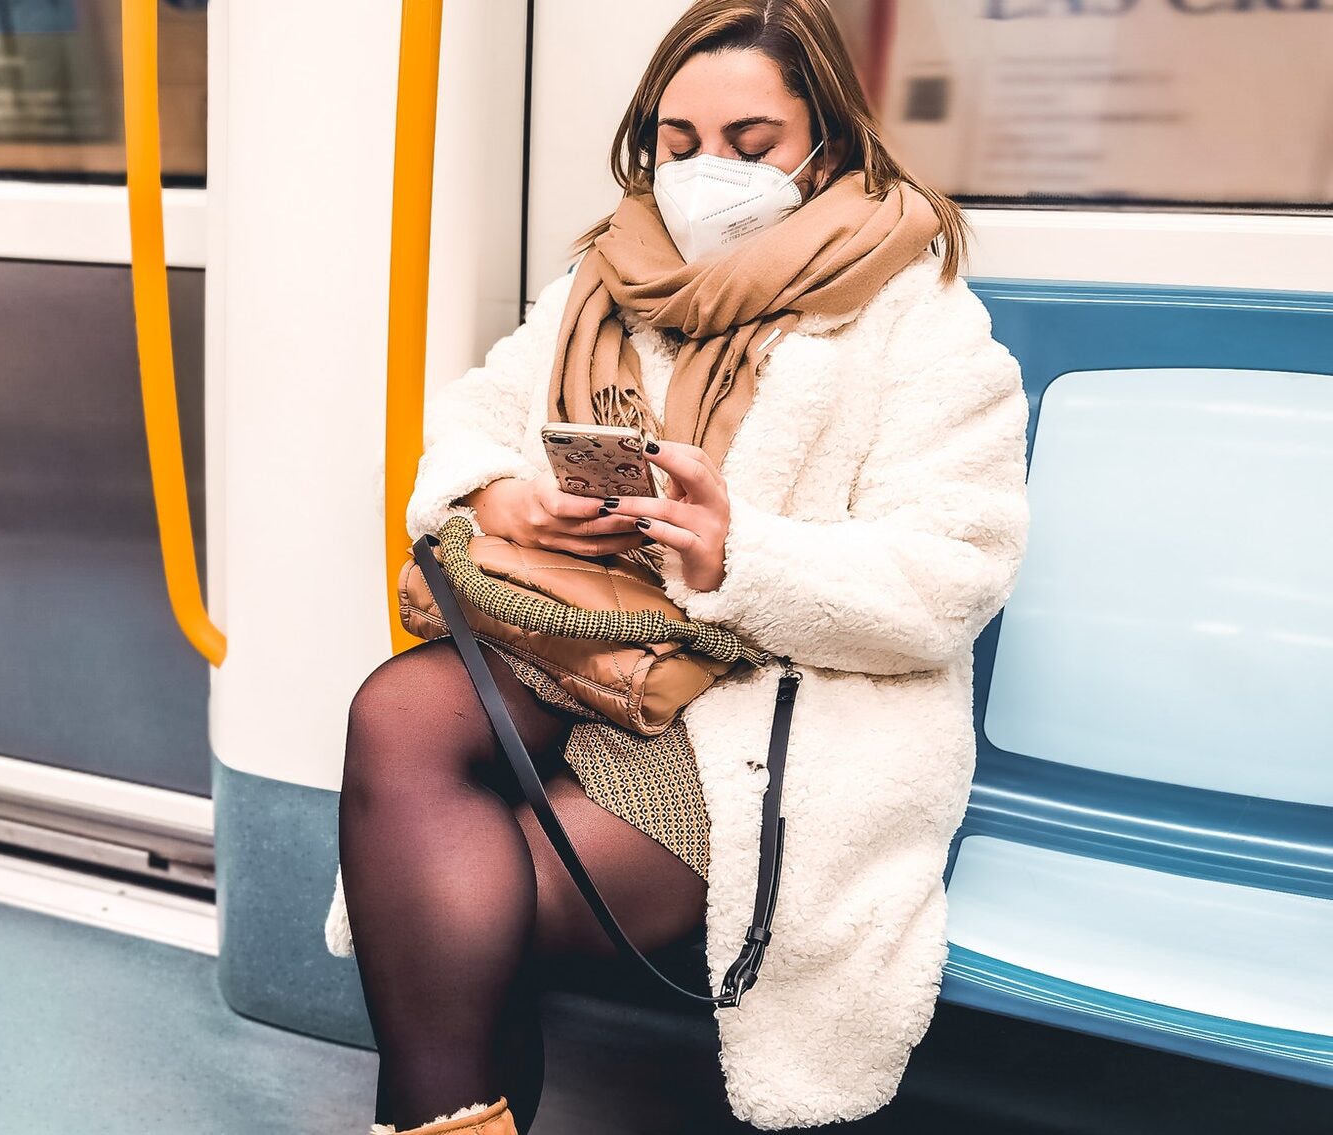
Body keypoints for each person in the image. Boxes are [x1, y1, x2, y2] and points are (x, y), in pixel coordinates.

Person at [321, 0, 1033, 1131]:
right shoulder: (605, 278)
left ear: (827, 144)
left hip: (764, 700)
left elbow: (948, 575)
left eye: (750, 147)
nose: (705, 174)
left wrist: (736, 550)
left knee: (477, 892)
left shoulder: (920, 320)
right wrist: (508, 495)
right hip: (591, 642)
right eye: (676, 142)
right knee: (395, 714)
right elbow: (472, 419)